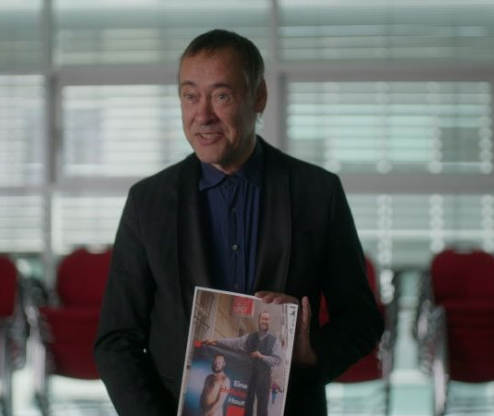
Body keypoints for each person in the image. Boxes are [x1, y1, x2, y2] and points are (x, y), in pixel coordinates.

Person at [94, 29, 383, 416]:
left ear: (258, 96)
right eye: (190, 96)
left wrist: (311, 353)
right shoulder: (147, 201)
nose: (203, 115)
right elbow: (116, 340)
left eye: (222, 96)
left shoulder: (318, 192)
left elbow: (362, 319)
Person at [206, 312, 281, 416]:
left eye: (267, 319)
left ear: (270, 321)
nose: (265, 321)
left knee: (262, 408)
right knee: (247, 405)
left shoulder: (275, 341)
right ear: (258, 320)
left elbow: (278, 360)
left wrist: (261, 356)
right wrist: (216, 341)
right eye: (263, 319)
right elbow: (234, 343)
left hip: (264, 378)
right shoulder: (249, 337)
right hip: (249, 376)